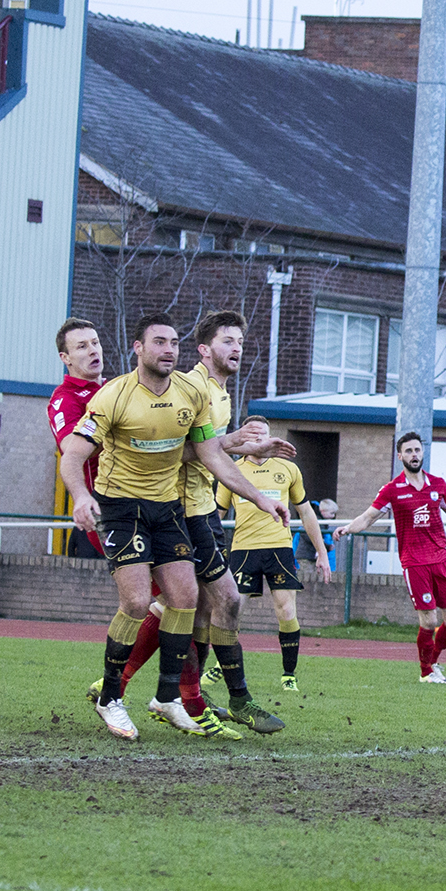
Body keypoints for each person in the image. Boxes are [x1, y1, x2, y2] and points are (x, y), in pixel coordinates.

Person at [59, 314, 291, 741]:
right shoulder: (113, 396)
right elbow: (71, 456)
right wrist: (80, 496)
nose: (169, 350)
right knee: (134, 602)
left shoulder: (191, 394)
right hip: (121, 506)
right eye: (159, 342)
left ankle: (170, 696)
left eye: (174, 343)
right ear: (138, 348)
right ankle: (111, 695)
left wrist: (260, 498)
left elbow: (212, 455)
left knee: (185, 597)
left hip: (166, 507)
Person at [172, 310, 298, 734]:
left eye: (240, 340)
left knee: (203, 607)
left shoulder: (221, 393)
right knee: (215, 601)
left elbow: (211, 454)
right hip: (179, 508)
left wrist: (251, 451)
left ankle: (180, 694)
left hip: (200, 507)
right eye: (228, 340)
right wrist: (260, 495)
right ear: (204, 349)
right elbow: (180, 452)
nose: (237, 347)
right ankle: (226, 698)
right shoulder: (192, 387)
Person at [335, 430, 446, 683]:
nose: (414, 455)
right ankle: (426, 673)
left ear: (422, 453)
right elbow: (369, 516)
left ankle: (433, 660)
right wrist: (348, 527)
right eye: (409, 451)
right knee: (428, 620)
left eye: (417, 450)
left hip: (440, 560)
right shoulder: (392, 490)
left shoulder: (438, 484)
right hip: (414, 562)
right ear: (400, 455)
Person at [216, 413, 332, 692]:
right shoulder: (229, 471)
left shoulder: (288, 469)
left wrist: (322, 553)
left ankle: (288, 673)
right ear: (242, 437)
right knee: (231, 611)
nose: (257, 439)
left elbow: (305, 512)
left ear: (270, 438)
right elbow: (217, 515)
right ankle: (221, 668)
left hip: (279, 548)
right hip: (243, 549)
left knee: (286, 610)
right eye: (252, 434)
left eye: (262, 434)